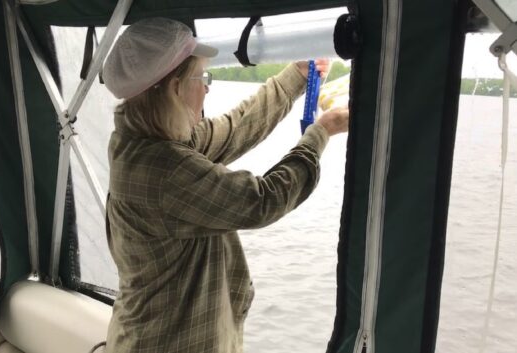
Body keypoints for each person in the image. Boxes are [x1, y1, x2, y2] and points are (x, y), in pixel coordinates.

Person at [102, 17, 349, 353]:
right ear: (175, 89)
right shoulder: (163, 170)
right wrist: (320, 133)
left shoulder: (140, 136)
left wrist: (295, 78)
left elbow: (236, 129)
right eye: (201, 77)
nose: (206, 87)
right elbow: (263, 200)